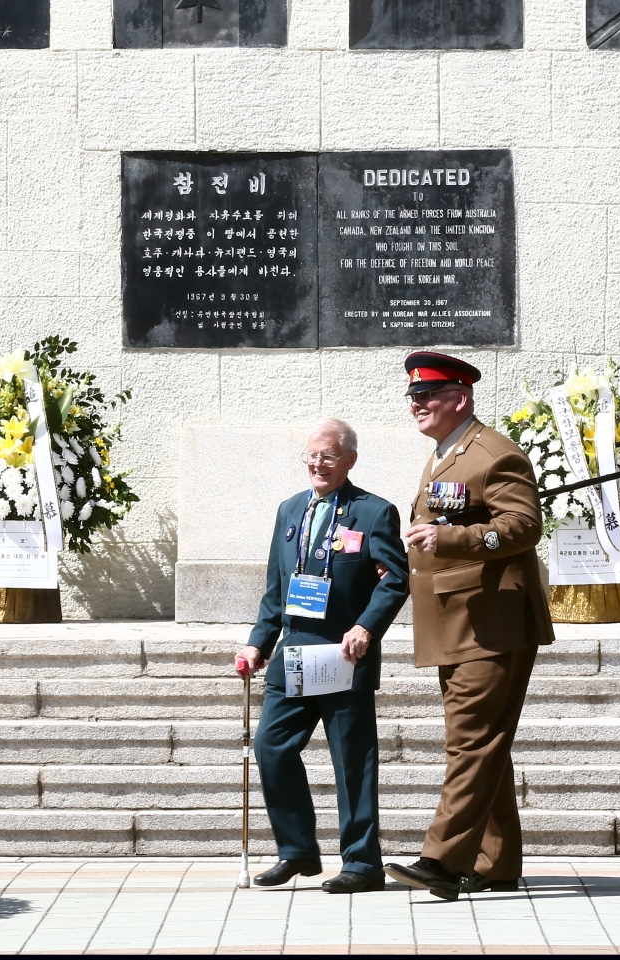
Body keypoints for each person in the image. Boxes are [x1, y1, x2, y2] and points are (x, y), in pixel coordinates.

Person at [384, 352, 555, 902]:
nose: (417, 405)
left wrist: (452, 539)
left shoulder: (492, 453)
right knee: (485, 743)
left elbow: (524, 524)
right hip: (459, 621)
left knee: (471, 742)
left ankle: (441, 860)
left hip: (492, 622)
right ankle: (497, 862)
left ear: (460, 398)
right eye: (412, 396)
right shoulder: (444, 455)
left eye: (428, 396)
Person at [235, 417, 409, 894]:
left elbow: (395, 579)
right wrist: (257, 642)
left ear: (349, 460)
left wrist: (366, 627)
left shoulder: (374, 512)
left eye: (328, 455)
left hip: (343, 655)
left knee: (351, 761)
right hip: (294, 654)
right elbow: (276, 589)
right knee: (271, 748)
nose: (318, 463)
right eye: (312, 455)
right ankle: (296, 851)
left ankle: (362, 864)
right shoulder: (290, 511)